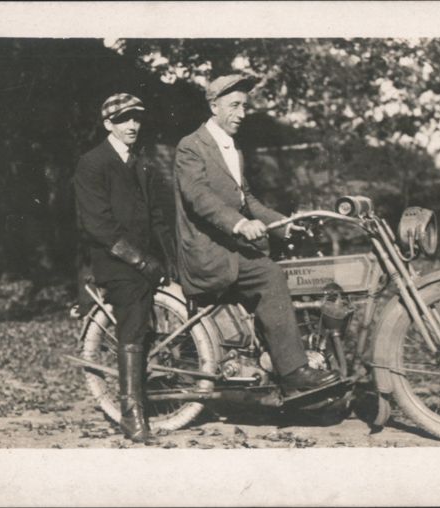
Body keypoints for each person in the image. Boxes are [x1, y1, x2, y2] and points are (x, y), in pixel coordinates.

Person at [173, 74, 340, 394]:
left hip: (230, 247)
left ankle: (280, 357)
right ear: (214, 106)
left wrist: (286, 224)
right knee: (270, 276)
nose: (242, 113)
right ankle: (293, 372)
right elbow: (199, 197)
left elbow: (247, 199)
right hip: (208, 253)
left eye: (245, 106)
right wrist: (239, 224)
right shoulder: (191, 146)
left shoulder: (232, 148)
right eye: (234, 106)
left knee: (287, 267)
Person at [74, 93, 176, 443]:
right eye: (123, 119)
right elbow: (98, 225)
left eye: (136, 118)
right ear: (108, 124)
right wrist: (140, 260)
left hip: (147, 259)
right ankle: (132, 416)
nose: (132, 125)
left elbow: (157, 217)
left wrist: (170, 260)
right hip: (116, 261)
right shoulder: (93, 162)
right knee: (132, 324)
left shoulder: (141, 162)